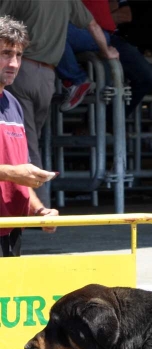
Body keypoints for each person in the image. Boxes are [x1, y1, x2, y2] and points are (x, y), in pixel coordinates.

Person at [0, 15, 60, 349]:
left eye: (18, 54)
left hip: (10, 238)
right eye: (5, 53)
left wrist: (38, 209)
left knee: (4, 343)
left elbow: (22, 177)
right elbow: (12, 171)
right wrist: (11, 174)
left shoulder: (14, 107)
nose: (14, 63)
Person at [0, 0, 118, 207]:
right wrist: (107, 51)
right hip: (47, 76)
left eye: (13, 54)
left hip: (22, 72)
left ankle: (35, 207)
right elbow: (93, 25)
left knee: (24, 145)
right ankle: (34, 207)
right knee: (24, 143)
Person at [55, 0, 152, 115]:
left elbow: (125, 14)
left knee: (148, 78)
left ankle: (107, 123)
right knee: (52, 30)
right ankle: (77, 81)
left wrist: (97, 23)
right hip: (80, 32)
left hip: (106, 34)